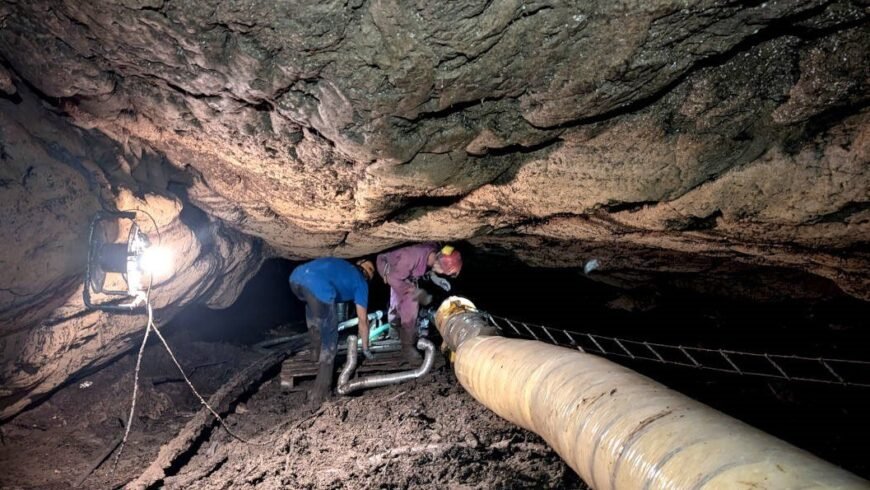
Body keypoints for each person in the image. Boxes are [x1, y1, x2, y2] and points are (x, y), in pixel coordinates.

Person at [289, 257, 375, 406]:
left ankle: (315, 354)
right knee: (330, 336)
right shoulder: (361, 282)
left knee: (314, 316)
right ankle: (321, 391)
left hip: (295, 278)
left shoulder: (345, 268)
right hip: (317, 286)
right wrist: (366, 348)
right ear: (367, 275)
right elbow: (363, 320)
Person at [376, 244, 462, 363]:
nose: (442, 274)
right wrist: (415, 292)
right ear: (438, 263)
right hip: (386, 266)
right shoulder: (409, 258)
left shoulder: (434, 251)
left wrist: (435, 278)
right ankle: (407, 347)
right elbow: (392, 278)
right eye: (442, 272)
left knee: (399, 298)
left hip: (401, 269)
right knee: (410, 304)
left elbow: (426, 267)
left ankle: (396, 327)